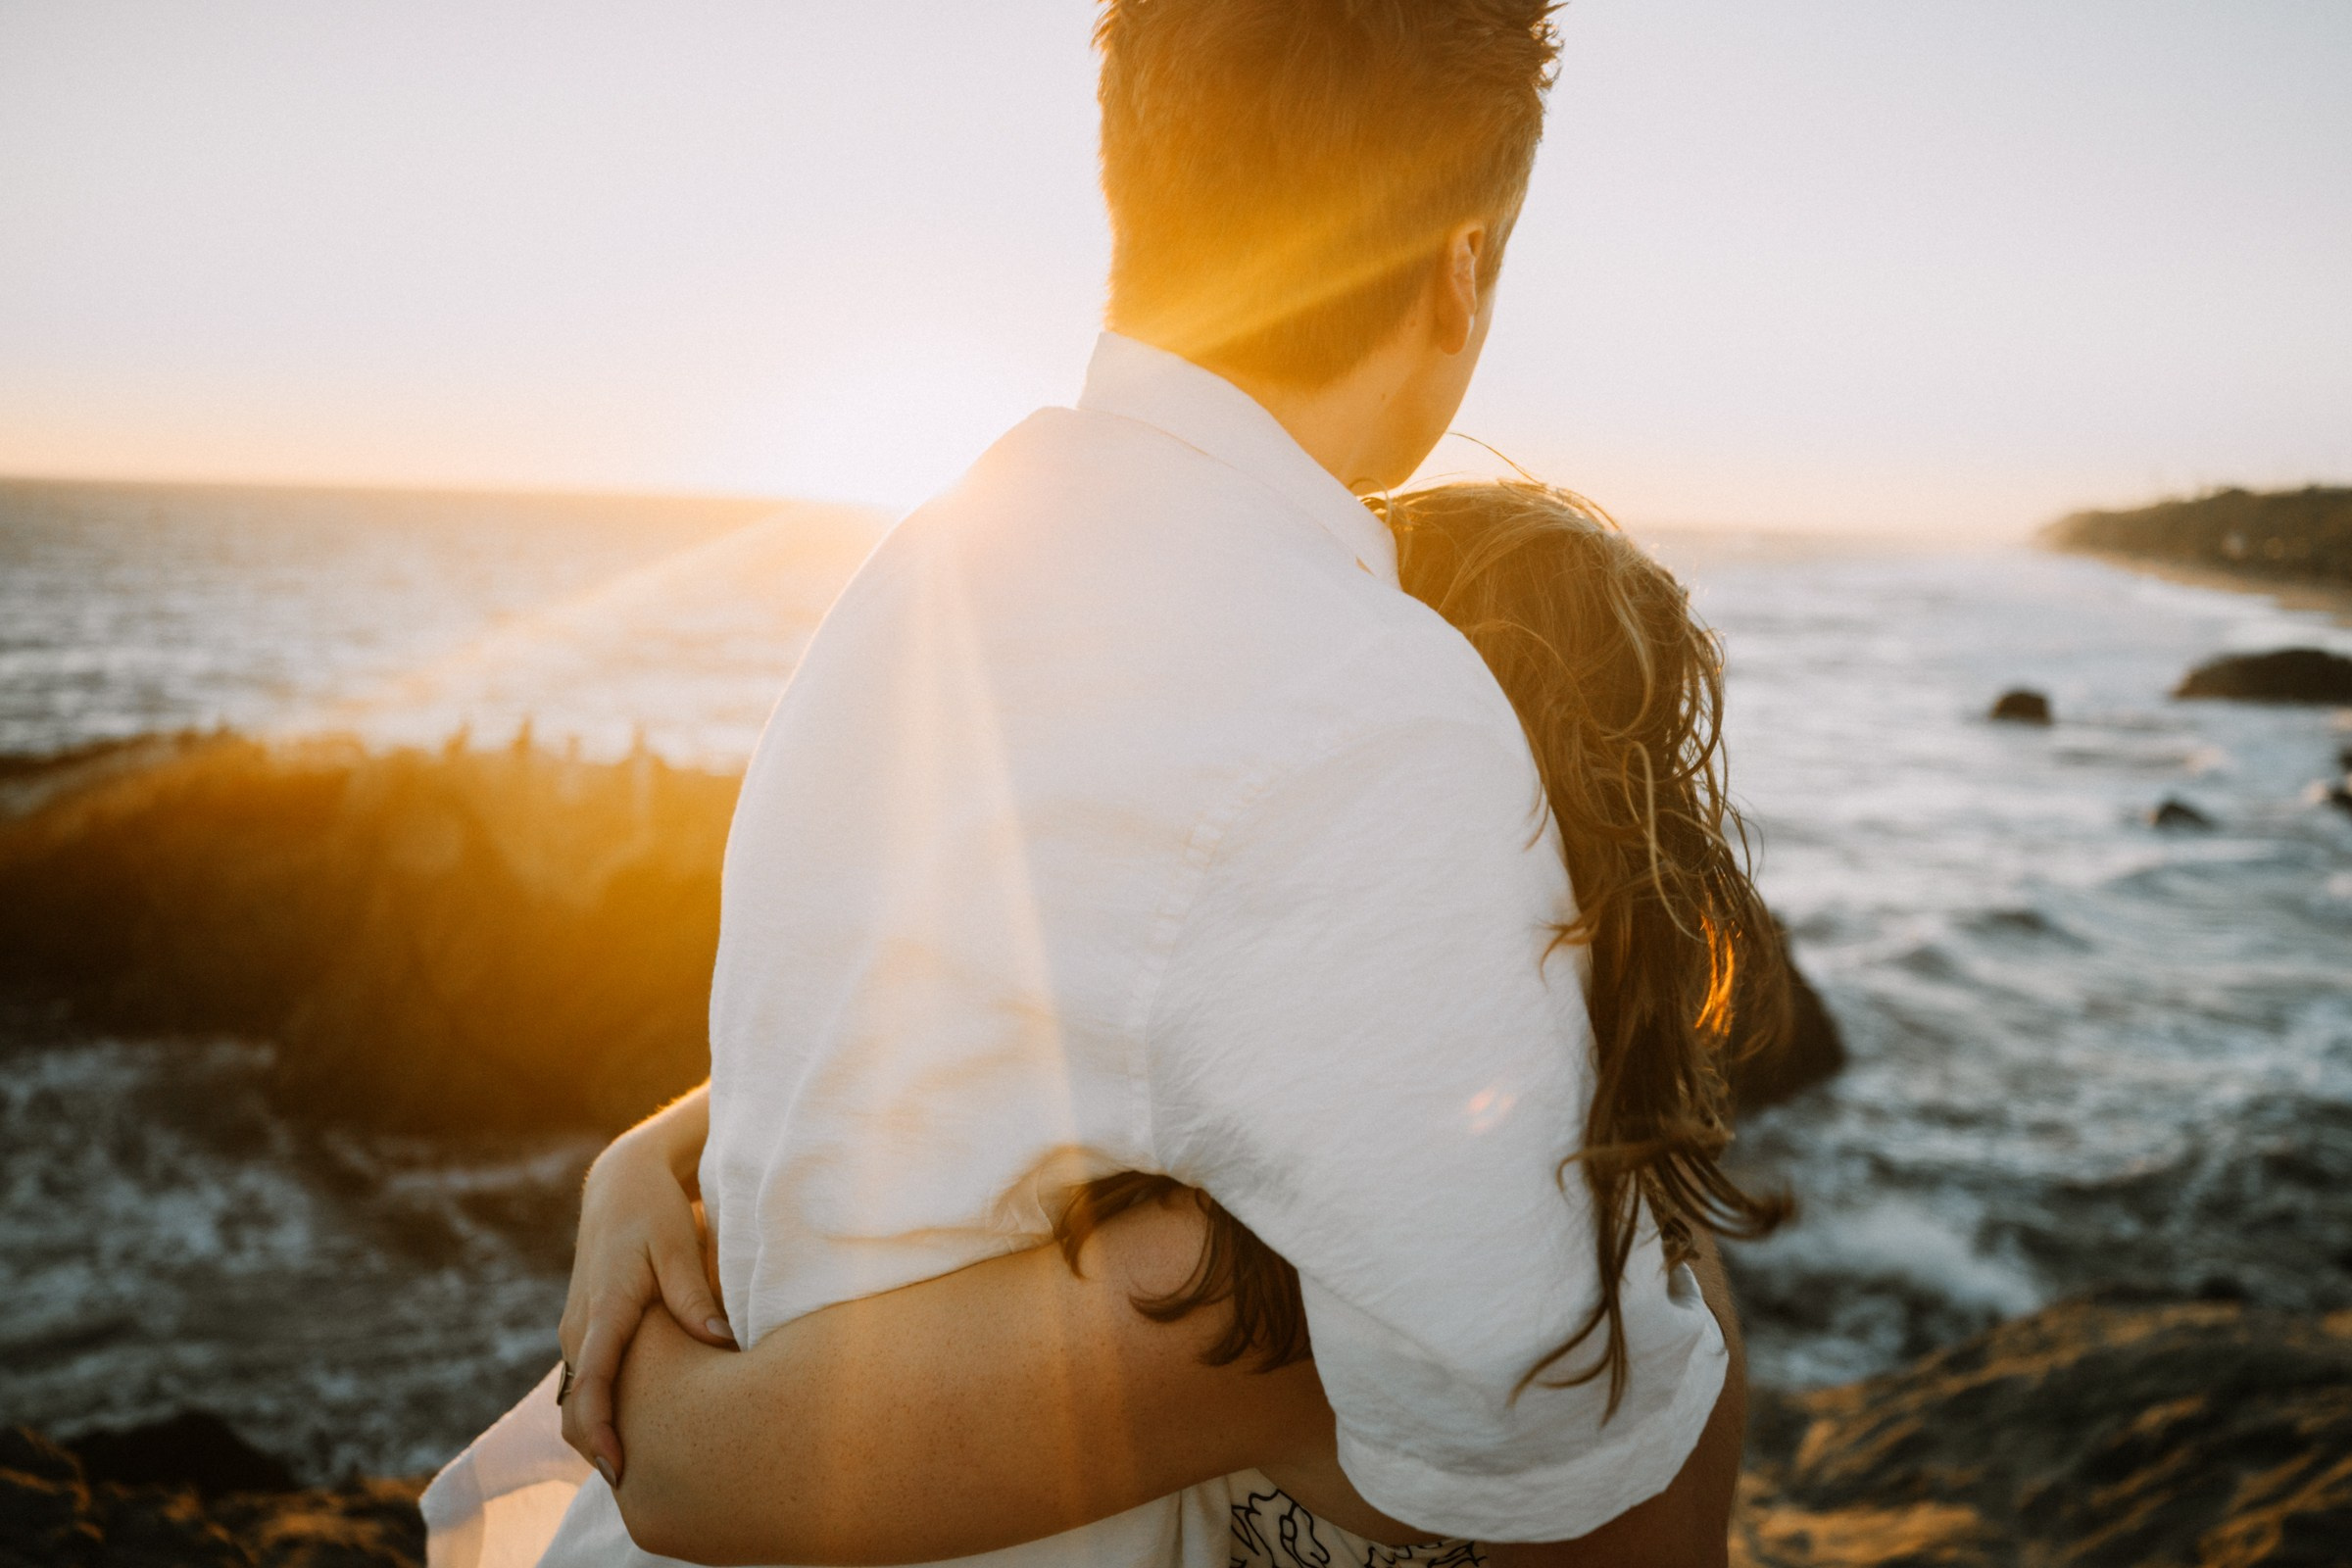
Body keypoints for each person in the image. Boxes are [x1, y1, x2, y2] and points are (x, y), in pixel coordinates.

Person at [424, 4, 1784, 1563]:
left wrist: (654, 1160)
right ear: (1461, 267)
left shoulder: (935, 562)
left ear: (1139, 175)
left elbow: (978, 979)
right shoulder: (1375, 719)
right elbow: (1549, 1419)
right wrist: (652, 1152)